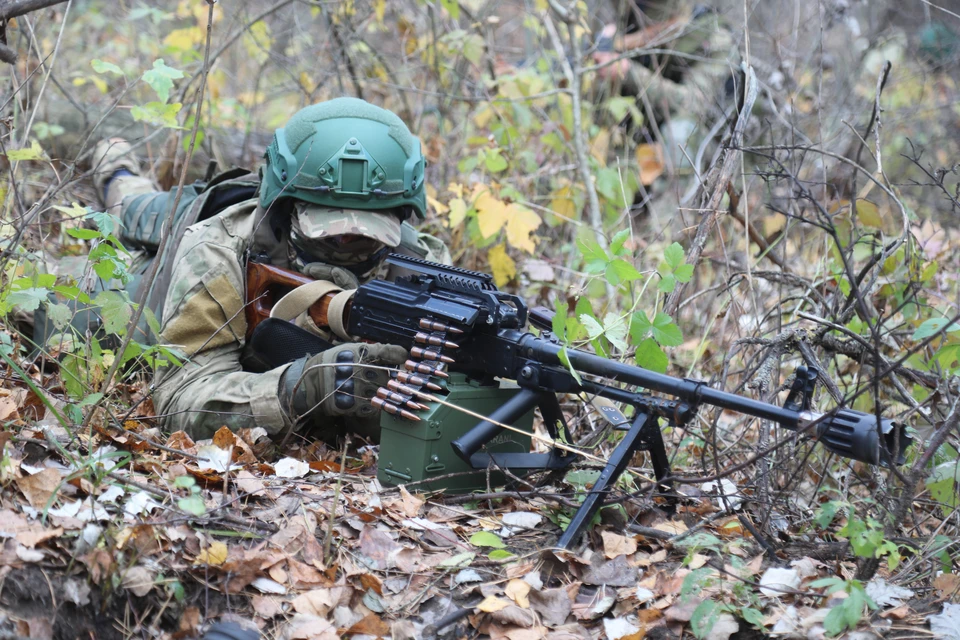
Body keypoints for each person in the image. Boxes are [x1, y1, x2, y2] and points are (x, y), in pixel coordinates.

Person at [86, 97, 450, 442]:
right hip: (164, 266)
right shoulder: (219, 248)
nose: (344, 247)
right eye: (328, 234)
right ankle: (113, 162)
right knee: (127, 212)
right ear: (286, 209)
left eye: (363, 238)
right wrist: (303, 386)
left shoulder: (421, 268)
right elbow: (179, 398)